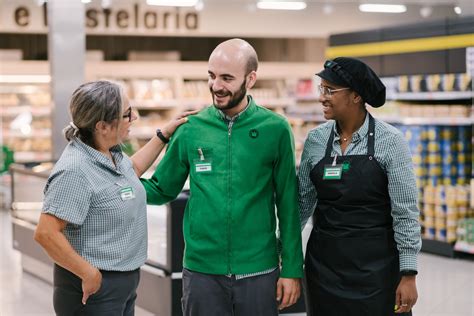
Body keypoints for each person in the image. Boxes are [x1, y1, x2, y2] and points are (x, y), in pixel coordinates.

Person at [140, 38, 304, 316]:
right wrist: (115, 186)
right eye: (212, 76)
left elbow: (288, 203)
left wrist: (291, 269)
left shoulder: (275, 129)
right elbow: (161, 188)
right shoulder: (191, 128)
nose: (216, 86)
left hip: (259, 271)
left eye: (227, 78)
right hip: (202, 272)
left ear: (250, 79)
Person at [34, 80, 193, 316]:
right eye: (127, 114)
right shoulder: (75, 170)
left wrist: (163, 134)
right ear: (103, 126)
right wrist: (88, 273)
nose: (135, 117)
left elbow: (134, 169)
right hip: (93, 289)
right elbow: (46, 233)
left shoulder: (110, 153)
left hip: (122, 283)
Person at [298, 57, 421, 315]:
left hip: (377, 271)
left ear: (356, 96)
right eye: (322, 89)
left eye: (330, 90)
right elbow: (301, 204)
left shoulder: (391, 142)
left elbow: (405, 213)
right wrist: (284, 254)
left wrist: (408, 274)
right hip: (324, 270)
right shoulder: (316, 141)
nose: (322, 97)